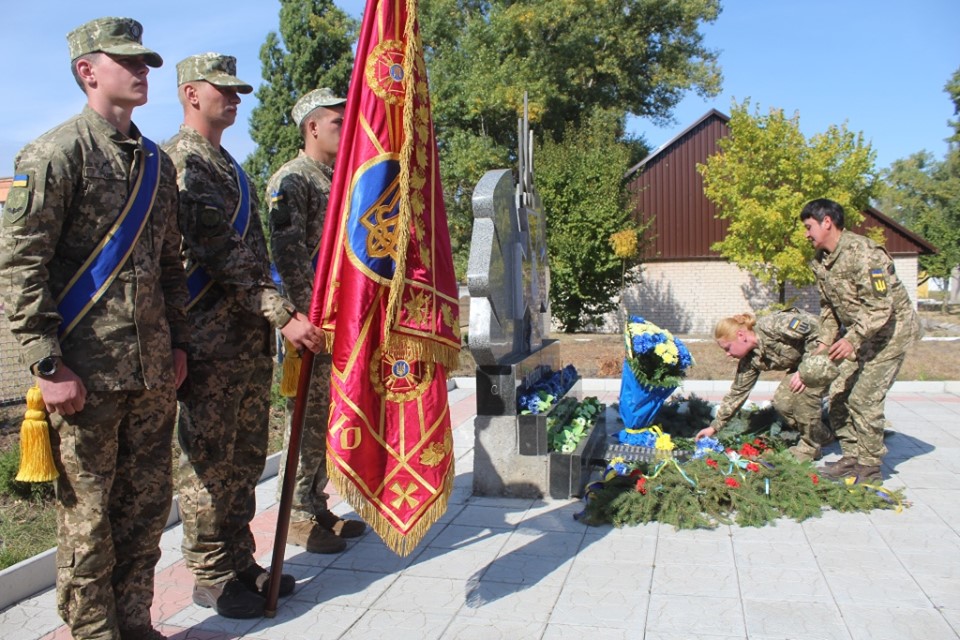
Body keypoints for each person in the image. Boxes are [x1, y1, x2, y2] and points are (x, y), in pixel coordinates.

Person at [0, 17, 188, 640]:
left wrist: (179, 344)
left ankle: (135, 622)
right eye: (128, 61)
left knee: (145, 511)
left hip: (152, 372)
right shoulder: (54, 154)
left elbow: (169, 263)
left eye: (147, 63)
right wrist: (46, 365)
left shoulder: (156, 162)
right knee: (88, 523)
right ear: (88, 71)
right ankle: (92, 632)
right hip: (85, 375)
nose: (143, 72)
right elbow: (22, 265)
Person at [163, 53, 324, 619]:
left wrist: (268, 322)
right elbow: (222, 253)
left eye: (238, 92)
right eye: (222, 91)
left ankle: (239, 560)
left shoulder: (227, 163)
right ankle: (210, 575)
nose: (234, 100)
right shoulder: (184, 162)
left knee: (244, 458)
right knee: (208, 464)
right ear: (190, 94)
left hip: (244, 341)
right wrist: (284, 314)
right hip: (208, 341)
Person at [266, 87, 366, 554]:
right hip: (312, 327)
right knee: (305, 420)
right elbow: (289, 259)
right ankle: (298, 516)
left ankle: (316, 501)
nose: (344, 131)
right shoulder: (294, 179)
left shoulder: (339, 180)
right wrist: (309, 321)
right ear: (312, 127)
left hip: (340, 325)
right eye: (336, 123)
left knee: (328, 418)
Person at [800, 198, 920, 483]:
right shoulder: (821, 262)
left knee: (864, 398)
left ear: (826, 221)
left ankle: (869, 467)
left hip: (892, 332)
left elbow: (881, 307)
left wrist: (851, 339)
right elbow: (829, 309)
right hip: (863, 335)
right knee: (840, 393)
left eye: (809, 227)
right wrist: (823, 344)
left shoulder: (865, 253)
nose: (806, 234)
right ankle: (851, 457)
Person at [694, 310, 834, 462]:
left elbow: (818, 330)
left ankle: (809, 449)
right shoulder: (750, 359)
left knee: (805, 394)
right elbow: (737, 393)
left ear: (741, 335)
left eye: (728, 348)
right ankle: (822, 437)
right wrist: (714, 427)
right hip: (801, 366)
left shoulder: (772, 326)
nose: (727, 354)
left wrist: (807, 369)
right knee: (783, 403)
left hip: (828, 352)